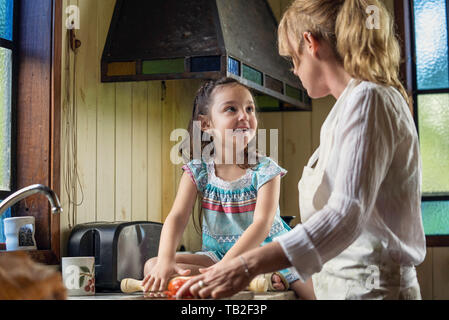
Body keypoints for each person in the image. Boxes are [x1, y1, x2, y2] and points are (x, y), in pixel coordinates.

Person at [176, 0, 426, 300]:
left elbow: (345, 215)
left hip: (370, 290)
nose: (294, 70)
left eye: (292, 59)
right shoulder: (348, 107)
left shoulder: (369, 99)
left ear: (311, 43)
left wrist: (246, 265)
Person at [142, 77, 315, 299]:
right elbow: (177, 217)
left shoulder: (265, 169)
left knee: (319, 293)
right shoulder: (198, 170)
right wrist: (165, 261)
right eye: (231, 109)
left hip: (269, 254)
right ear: (206, 124)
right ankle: (257, 281)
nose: (244, 116)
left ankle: (258, 275)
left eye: (249, 108)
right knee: (152, 266)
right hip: (217, 256)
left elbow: (261, 224)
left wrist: (227, 268)